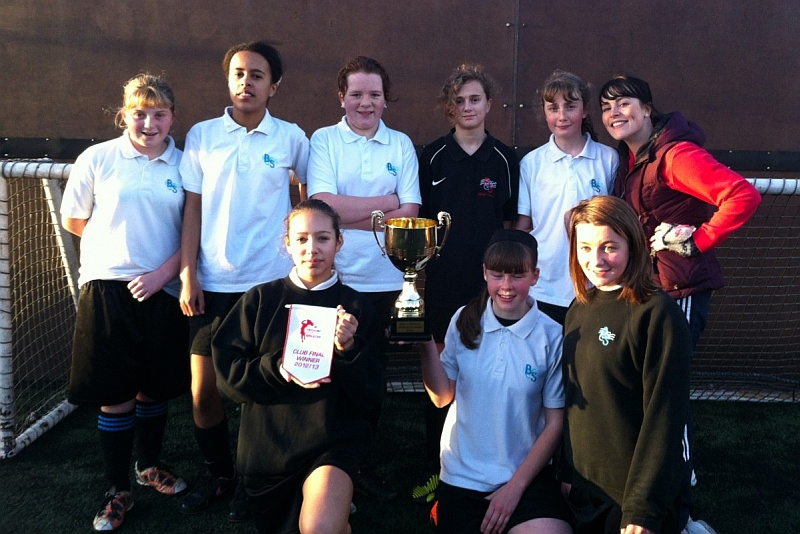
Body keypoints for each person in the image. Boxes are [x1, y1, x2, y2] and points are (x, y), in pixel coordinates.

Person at [178, 40, 309, 520]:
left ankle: (265, 479)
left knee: (272, 389)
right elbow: (191, 207)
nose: (246, 82)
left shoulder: (292, 137)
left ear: (274, 85)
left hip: (273, 287)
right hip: (211, 286)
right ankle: (221, 475)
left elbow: (308, 204)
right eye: (238, 73)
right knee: (203, 391)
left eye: (257, 74)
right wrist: (189, 272)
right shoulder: (202, 136)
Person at [61, 73, 190, 532]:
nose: (149, 123)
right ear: (124, 115)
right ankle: (118, 490)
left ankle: (149, 465)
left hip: (163, 288)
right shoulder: (98, 158)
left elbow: (191, 232)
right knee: (115, 396)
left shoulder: (183, 164)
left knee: (153, 388)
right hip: (108, 289)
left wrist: (160, 273)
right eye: (140, 113)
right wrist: (120, 260)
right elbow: (77, 220)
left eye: (159, 114)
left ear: (173, 117)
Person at [212, 199, 384, 534]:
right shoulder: (258, 300)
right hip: (268, 448)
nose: (312, 249)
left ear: (339, 242)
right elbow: (227, 379)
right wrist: (276, 369)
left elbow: (372, 393)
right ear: (287, 243)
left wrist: (349, 350)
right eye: (302, 239)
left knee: (319, 528)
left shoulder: (357, 307)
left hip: (332, 442)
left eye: (322, 238)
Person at [307, 55, 421, 501]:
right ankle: (319, 465)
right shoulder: (324, 140)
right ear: (342, 97)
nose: (365, 103)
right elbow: (322, 203)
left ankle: (360, 465)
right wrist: (383, 205)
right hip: (333, 279)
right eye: (356, 93)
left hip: (383, 280)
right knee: (324, 374)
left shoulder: (401, 145)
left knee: (369, 379)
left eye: (374, 94)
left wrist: (350, 214)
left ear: (385, 99)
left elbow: (410, 212)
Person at [419, 229, 572, 534]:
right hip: (462, 476)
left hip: (525, 477)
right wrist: (424, 343)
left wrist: (514, 488)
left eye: (517, 275)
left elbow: (555, 425)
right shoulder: (463, 320)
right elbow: (441, 397)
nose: (506, 286)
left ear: (535, 276)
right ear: (485, 273)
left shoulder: (552, 335)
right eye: (498, 274)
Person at [414, 63, 519, 504]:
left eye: (475, 99)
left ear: (489, 104)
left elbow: (512, 221)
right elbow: (417, 225)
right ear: (448, 107)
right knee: (440, 385)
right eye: (458, 100)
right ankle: (435, 473)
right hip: (442, 286)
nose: (467, 107)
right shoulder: (432, 156)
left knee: (487, 380)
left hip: (491, 292)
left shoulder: (506, 159)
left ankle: (490, 464)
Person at [598, 74, 761, 350]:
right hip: (646, 286)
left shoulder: (676, 157)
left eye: (623, 103)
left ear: (647, 108)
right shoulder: (627, 160)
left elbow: (742, 195)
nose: (613, 113)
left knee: (668, 377)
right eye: (605, 107)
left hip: (678, 289)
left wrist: (697, 241)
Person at [560, 195, 693, 534]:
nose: (597, 260)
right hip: (586, 495)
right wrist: (567, 474)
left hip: (630, 506)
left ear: (632, 245)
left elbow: (663, 418)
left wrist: (642, 510)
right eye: (586, 248)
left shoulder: (656, 313)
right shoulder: (579, 309)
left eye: (609, 247)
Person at [515, 69, 618, 326]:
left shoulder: (608, 159)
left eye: (570, 107)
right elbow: (524, 226)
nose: (562, 116)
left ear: (584, 110)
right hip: (544, 288)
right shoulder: (531, 163)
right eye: (553, 108)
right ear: (545, 112)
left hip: (594, 283)